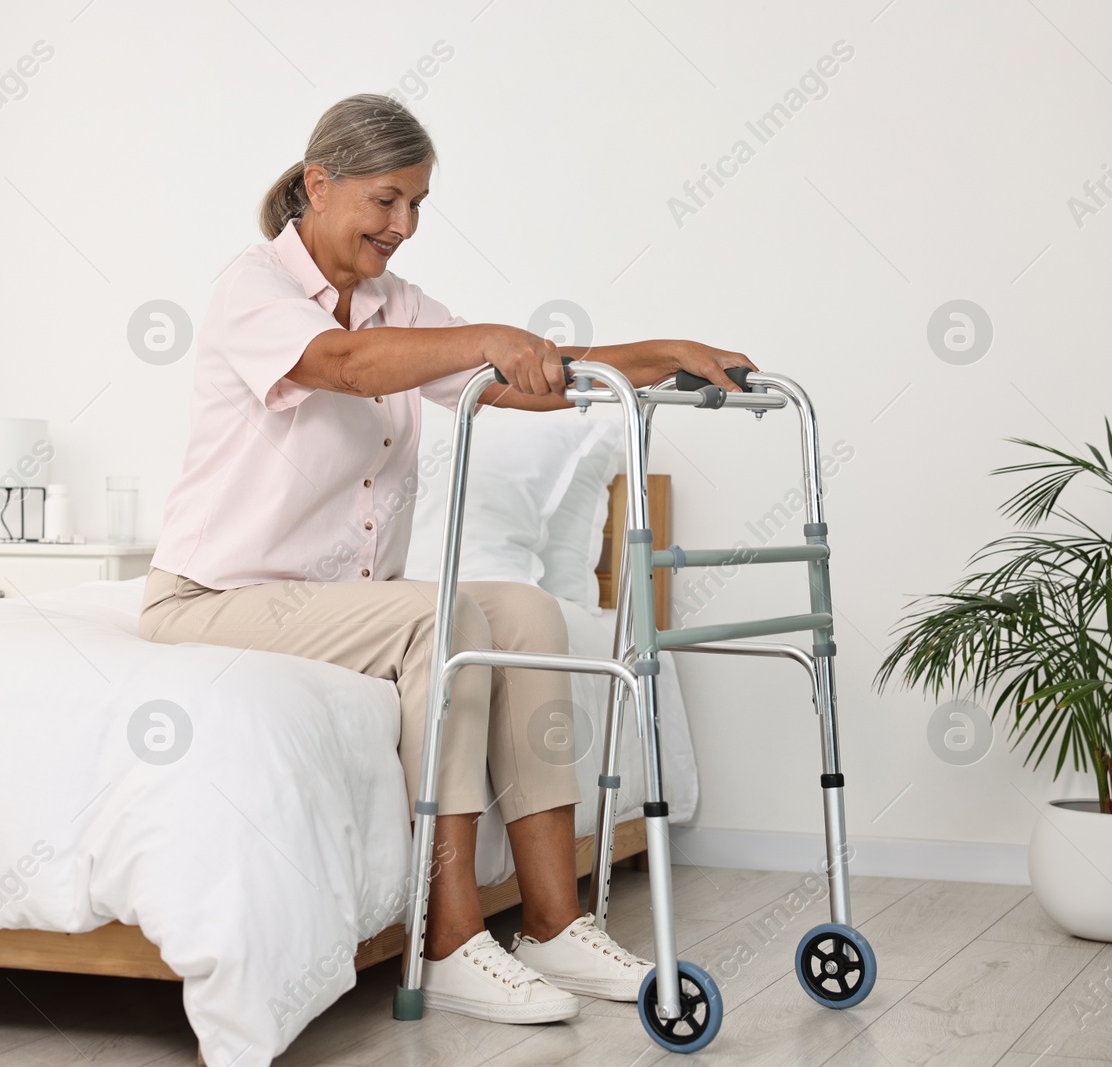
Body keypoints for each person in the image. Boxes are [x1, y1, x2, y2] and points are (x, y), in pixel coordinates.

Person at [139, 93, 755, 1024]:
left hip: (329, 601)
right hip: (212, 597)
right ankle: (451, 936)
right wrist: (483, 337)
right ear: (318, 183)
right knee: (447, 616)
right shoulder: (252, 287)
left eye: (418, 204)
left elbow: (517, 380)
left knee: (527, 610)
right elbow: (344, 364)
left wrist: (659, 354)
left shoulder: (398, 306)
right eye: (387, 200)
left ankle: (551, 922)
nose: (404, 225)